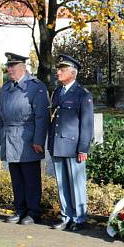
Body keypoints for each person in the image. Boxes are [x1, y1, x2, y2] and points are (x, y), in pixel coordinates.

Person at [0, 52, 49, 225]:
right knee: (16, 177)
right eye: (8, 66)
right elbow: (1, 116)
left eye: (13, 66)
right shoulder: (6, 88)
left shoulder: (36, 87)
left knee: (30, 176)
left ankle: (33, 212)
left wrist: (38, 140)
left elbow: (42, 116)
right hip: (10, 136)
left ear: (23, 67)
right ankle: (20, 209)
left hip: (27, 137)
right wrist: (1, 139)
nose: (9, 69)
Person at [48, 55, 94, 232]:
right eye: (58, 69)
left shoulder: (82, 94)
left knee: (76, 184)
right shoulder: (57, 92)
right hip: (58, 144)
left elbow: (87, 124)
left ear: (73, 73)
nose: (58, 72)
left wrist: (83, 148)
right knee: (62, 184)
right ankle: (66, 215)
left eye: (62, 69)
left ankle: (80, 218)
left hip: (74, 146)